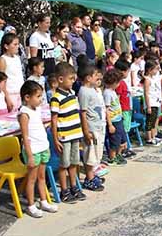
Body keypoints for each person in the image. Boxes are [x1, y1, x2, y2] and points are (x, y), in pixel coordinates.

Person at [18, 81, 58, 217]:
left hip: (43, 147)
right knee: (31, 178)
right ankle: (30, 205)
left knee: (42, 177)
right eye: (38, 96)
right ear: (27, 97)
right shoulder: (24, 113)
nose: (41, 99)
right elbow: (25, 136)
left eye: (41, 96)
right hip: (33, 150)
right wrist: (29, 155)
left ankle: (43, 200)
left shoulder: (38, 109)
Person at [50, 62, 87, 203]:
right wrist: (56, 139)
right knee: (63, 164)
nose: (73, 81)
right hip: (64, 136)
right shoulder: (56, 98)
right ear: (60, 79)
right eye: (70, 78)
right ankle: (64, 190)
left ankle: (74, 187)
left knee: (74, 162)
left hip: (75, 135)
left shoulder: (72, 94)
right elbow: (54, 120)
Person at [77, 65, 106, 191]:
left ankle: (93, 175)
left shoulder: (94, 90)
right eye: (95, 76)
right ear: (88, 78)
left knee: (97, 152)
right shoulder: (83, 92)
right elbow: (83, 113)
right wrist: (86, 131)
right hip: (91, 128)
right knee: (90, 154)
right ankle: (89, 178)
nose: (98, 78)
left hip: (99, 126)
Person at [103, 69, 128, 165]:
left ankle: (118, 154)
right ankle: (112, 158)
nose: (119, 84)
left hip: (119, 119)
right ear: (113, 82)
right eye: (118, 82)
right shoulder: (107, 93)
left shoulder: (112, 91)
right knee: (114, 141)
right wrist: (110, 124)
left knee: (121, 139)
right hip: (113, 121)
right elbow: (107, 109)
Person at [0, 33, 24, 111]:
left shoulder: (17, 58)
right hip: (10, 94)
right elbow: (2, 80)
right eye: (15, 44)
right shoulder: (3, 59)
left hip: (20, 93)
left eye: (18, 44)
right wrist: (7, 98)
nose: (17, 47)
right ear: (6, 46)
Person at [143, 59, 162, 145]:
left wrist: (158, 65)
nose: (156, 71)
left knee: (154, 121)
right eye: (154, 69)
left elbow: (161, 73)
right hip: (151, 103)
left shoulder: (154, 78)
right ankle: (149, 138)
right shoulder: (147, 80)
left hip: (156, 102)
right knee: (149, 122)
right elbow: (146, 94)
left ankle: (153, 137)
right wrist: (148, 106)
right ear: (149, 70)